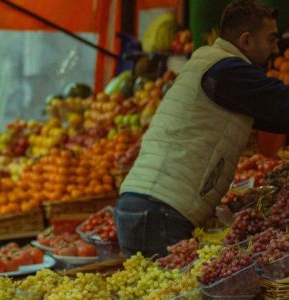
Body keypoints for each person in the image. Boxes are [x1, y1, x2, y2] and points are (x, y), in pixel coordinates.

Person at [116, 0, 289, 258]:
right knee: (174, 285)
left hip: (144, 204)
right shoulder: (227, 71)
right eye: (271, 39)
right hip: (161, 209)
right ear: (246, 40)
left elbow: (274, 115)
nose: (276, 49)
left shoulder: (209, 64)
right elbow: (282, 104)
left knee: (154, 283)